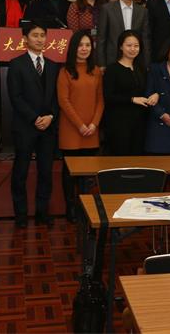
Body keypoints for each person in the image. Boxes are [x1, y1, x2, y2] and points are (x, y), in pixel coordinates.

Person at [7, 21, 60, 228]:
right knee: (20, 172)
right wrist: (34, 118)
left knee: (45, 172)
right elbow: (15, 96)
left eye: (42, 35)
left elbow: (57, 97)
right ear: (25, 39)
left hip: (48, 127)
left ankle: (42, 213)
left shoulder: (53, 65)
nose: (39, 39)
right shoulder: (16, 64)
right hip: (25, 126)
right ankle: (20, 215)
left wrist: (50, 116)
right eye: (35, 35)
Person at [57, 30, 103, 222]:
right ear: (73, 48)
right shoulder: (65, 71)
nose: (84, 49)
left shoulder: (96, 71)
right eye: (80, 45)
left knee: (87, 174)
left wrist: (93, 124)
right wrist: (80, 125)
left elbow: (100, 101)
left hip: (91, 130)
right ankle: (71, 209)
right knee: (70, 173)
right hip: (71, 130)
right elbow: (63, 101)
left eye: (87, 45)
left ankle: (84, 208)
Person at [103, 30, 156, 155]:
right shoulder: (112, 69)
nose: (133, 49)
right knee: (120, 159)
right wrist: (132, 99)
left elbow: (149, 90)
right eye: (129, 45)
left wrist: (155, 95)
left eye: (136, 46)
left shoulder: (142, 69)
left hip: (140, 122)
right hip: (119, 123)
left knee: (137, 159)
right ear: (121, 47)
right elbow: (108, 97)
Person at [97, 0, 151, 68]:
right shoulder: (107, 9)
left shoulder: (143, 11)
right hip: (112, 60)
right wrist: (101, 64)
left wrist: (146, 63)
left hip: (136, 62)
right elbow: (101, 39)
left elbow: (145, 39)